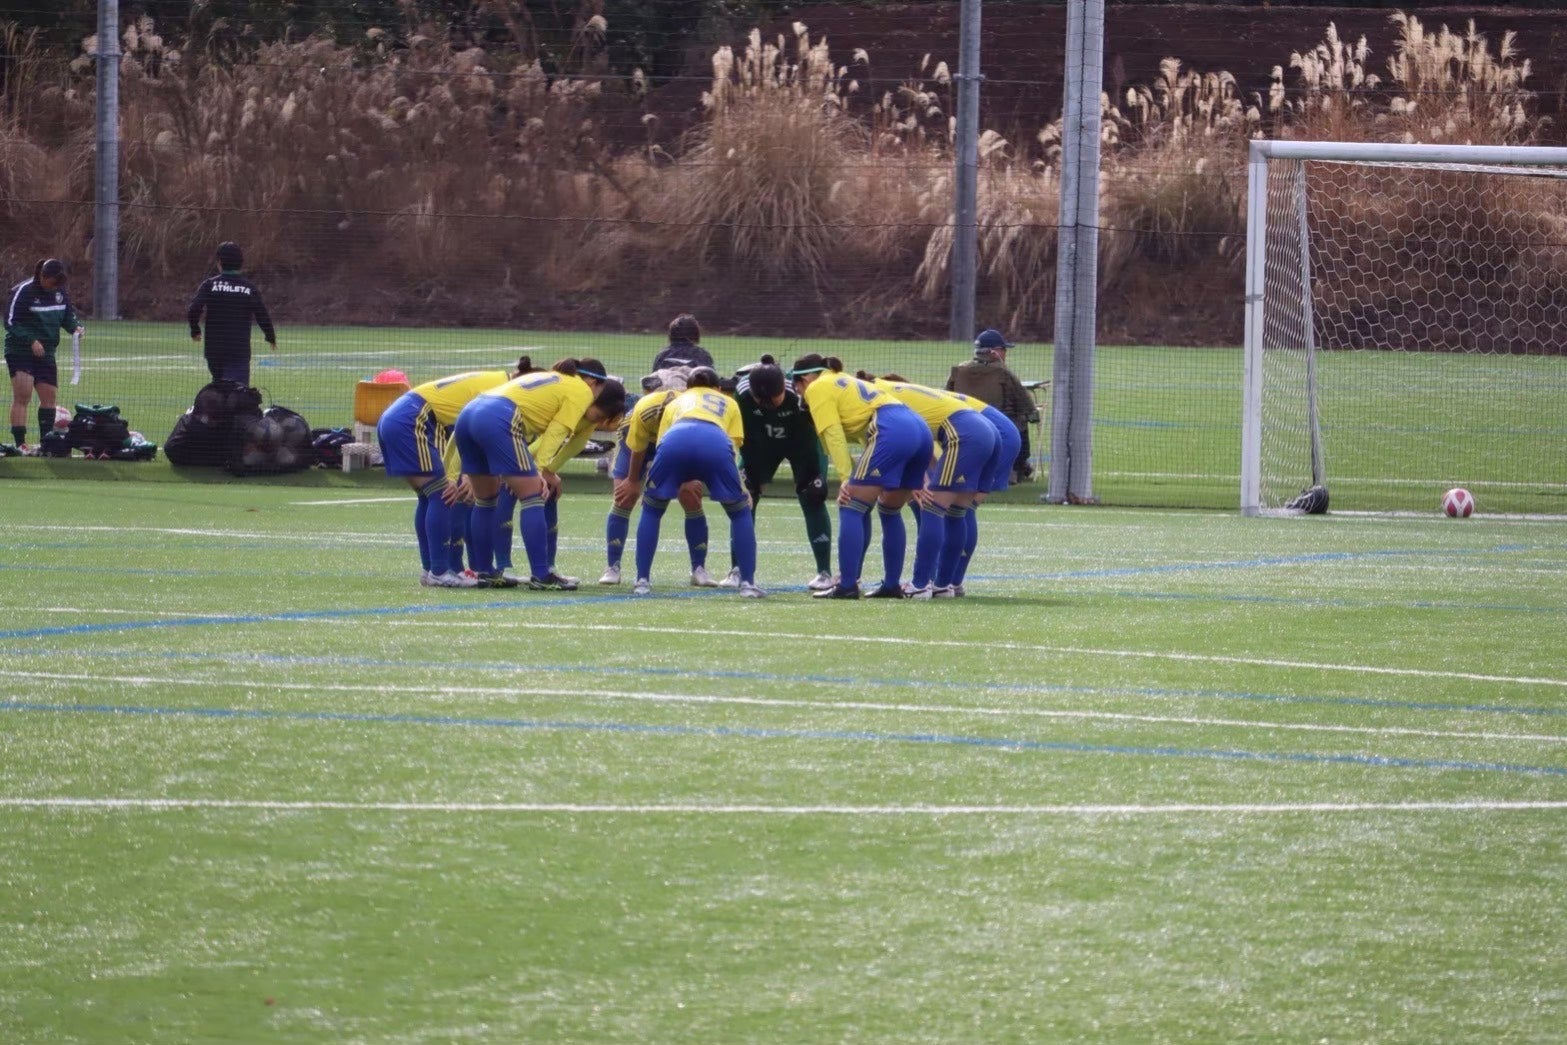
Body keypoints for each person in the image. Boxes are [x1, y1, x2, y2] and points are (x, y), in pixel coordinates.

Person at [453, 360, 626, 591]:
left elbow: (574, 443)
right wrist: (540, 470)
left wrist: (451, 472)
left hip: (470, 412)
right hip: (498, 417)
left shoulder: (557, 379)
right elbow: (556, 432)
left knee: (486, 500)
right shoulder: (582, 391)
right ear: (593, 383)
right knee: (533, 495)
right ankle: (541, 575)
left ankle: (484, 572)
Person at [788, 354, 932, 600]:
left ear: (806, 379)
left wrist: (846, 477)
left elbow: (833, 433)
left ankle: (847, 585)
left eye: (797, 386)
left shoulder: (817, 387)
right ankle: (891, 585)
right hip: (918, 426)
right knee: (889, 509)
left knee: (850, 504)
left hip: (892, 428)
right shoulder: (842, 380)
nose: (800, 393)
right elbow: (867, 440)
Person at [377, 359, 533, 587]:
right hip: (412, 419)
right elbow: (465, 431)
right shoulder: (500, 391)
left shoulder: (494, 379)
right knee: (442, 495)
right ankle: (440, 571)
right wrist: (460, 475)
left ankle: (432, 569)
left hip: (397, 416)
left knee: (429, 496)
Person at [631, 367, 764, 597]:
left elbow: (662, 444)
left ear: (688, 388)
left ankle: (642, 581)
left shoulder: (676, 402)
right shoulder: (729, 402)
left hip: (675, 440)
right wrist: (742, 488)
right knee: (740, 513)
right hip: (715, 441)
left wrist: (653, 484)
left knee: (652, 510)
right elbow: (733, 449)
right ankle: (748, 585)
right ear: (718, 388)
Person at [866, 375, 997, 598]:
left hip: (966, 433)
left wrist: (921, 478)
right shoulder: (895, 390)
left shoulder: (881, 399)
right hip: (988, 430)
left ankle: (920, 585)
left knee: (933, 506)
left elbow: (916, 438)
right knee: (957, 511)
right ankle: (944, 585)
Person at [714, 355, 834, 591]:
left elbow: (821, 430)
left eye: (774, 398)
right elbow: (740, 434)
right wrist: (747, 473)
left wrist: (819, 471)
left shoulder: (800, 392)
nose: (768, 403)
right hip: (761, 445)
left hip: (802, 445)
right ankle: (738, 569)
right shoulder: (743, 394)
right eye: (762, 400)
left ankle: (824, 572)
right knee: (744, 498)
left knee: (813, 494)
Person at [600, 366, 713, 586]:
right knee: (624, 496)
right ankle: (613, 566)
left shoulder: (693, 412)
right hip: (636, 442)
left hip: (677, 444)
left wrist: (687, 476)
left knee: (691, 493)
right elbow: (637, 449)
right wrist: (633, 481)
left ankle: (699, 569)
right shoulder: (644, 411)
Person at [945, 390, 1023, 597]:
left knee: (958, 506)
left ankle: (947, 581)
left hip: (991, 437)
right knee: (960, 506)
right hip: (1000, 434)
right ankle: (951, 580)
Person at [5, 258, 83, 453]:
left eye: (58, 284)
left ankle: (46, 442)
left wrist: (75, 328)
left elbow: (67, 316)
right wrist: (31, 341)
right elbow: (10, 321)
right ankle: (20, 444)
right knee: (23, 395)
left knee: (49, 397)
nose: (55, 287)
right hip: (20, 351)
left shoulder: (60, 292)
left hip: (47, 352)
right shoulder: (24, 291)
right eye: (52, 282)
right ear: (42, 276)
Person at [946, 328, 1038, 483]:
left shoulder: (958, 371)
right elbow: (1024, 402)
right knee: (1021, 421)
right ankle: (1017, 467)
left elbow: (947, 396)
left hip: (965, 425)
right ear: (995, 352)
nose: (1005, 354)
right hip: (999, 425)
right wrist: (1033, 415)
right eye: (1004, 350)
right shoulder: (1003, 373)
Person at [187, 241, 276, 384]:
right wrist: (270, 336)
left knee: (219, 389)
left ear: (219, 262)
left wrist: (195, 330)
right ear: (241, 263)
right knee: (237, 392)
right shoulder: (248, 288)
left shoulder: (209, 285)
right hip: (238, 351)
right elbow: (262, 315)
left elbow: (194, 309)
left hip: (214, 351)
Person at [650, 313, 715, 372]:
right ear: (695, 333)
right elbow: (711, 377)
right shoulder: (702, 354)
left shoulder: (663, 355)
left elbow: (654, 378)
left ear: (672, 334)